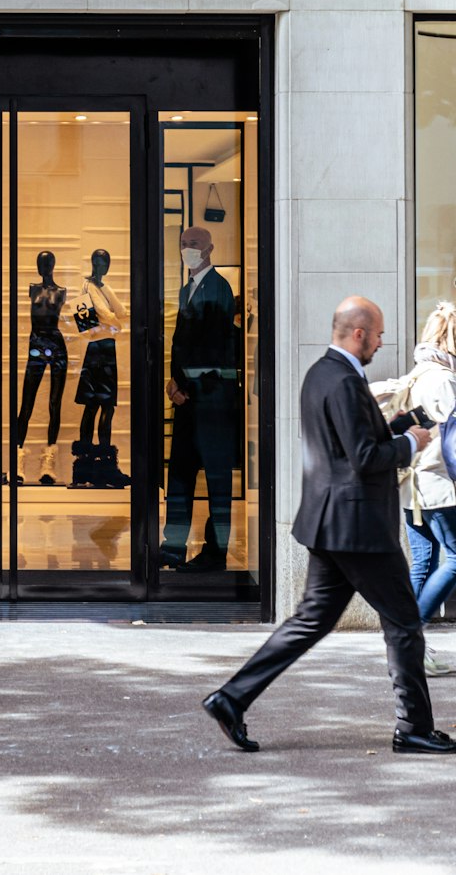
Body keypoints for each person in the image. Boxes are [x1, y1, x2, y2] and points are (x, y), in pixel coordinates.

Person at [201, 296, 455, 755]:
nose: (381, 343)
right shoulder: (342, 382)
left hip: (330, 521)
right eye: (377, 334)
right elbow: (363, 458)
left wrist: (403, 424)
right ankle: (413, 727)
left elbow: (350, 442)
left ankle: (231, 698)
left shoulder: (323, 374)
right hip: (359, 527)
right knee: (402, 625)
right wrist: (410, 446)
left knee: (310, 622)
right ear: (358, 333)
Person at [161, 226, 240, 572]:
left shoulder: (218, 288)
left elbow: (213, 348)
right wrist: (174, 383)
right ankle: (172, 546)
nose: (187, 249)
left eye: (193, 244)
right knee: (179, 473)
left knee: (216, 479)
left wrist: (186, 386)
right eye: (183, 244)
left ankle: (215, 553)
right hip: (189, 400)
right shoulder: (186, 290)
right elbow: (183, 343)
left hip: (210, 401)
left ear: (209, 248)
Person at [400, 301, 456, 676]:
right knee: (454, 559)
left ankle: (410, 649)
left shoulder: (419, 372)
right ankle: (408, 639)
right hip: (438, 486)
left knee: (422, 563)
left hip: (411, 486)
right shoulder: (444, 379)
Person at [70, 249, 128, 489]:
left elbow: (121, 312)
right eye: (97, 263)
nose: (99, 267)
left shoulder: (103, 288)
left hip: (105, 349)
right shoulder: (87, 288)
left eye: (104, 263)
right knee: (95, 406)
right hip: (98, 349)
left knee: (102, 406)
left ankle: (98, 463)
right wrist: (114, 324)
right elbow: (104, 318)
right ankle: (94, 463)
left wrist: (112, 321)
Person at [16, 251, 68, 486]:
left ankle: (49, 461)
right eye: (40, 263)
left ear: (53, 265)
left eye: (46, 263)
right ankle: (17, 458)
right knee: (26, 403)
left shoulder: (62, 292)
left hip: (55, 345)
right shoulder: (32, 288)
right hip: (36, 344)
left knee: (54, 403)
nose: (43, 266)